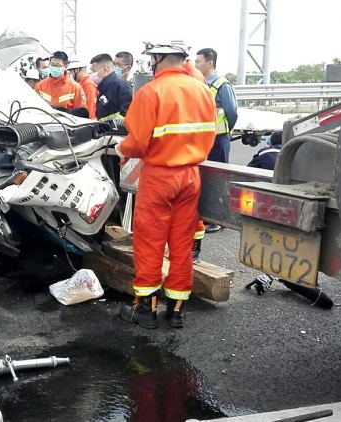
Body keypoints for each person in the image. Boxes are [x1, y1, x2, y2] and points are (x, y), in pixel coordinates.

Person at [115, 41, 216, 329]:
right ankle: (176, 310)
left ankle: (144, 308)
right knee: (182, 243)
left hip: (160, 176)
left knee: (150, 241)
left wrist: (123, 148)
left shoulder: (151, 92)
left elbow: (136, 142)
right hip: (191, 176)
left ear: (158, 58)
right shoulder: (203, 91)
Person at [195, 47, 238, 233]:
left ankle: (218, 219)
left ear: (210, 62)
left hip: (219, 138)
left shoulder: (222, 85)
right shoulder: (199, 84)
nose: (196, 65)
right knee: (204, 176)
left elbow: (231, 112)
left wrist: (226, 131)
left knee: (219, 178)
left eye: (199, 62)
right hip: (202, 139)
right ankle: (206, 215)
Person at [89, 54, 133, 120]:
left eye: (94, 71)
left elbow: (127, 114)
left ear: (105, 70)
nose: (92, 74)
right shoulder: (103, 87)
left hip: (118, 130)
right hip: (105, 129)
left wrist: (106, 125)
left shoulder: (122, 86)